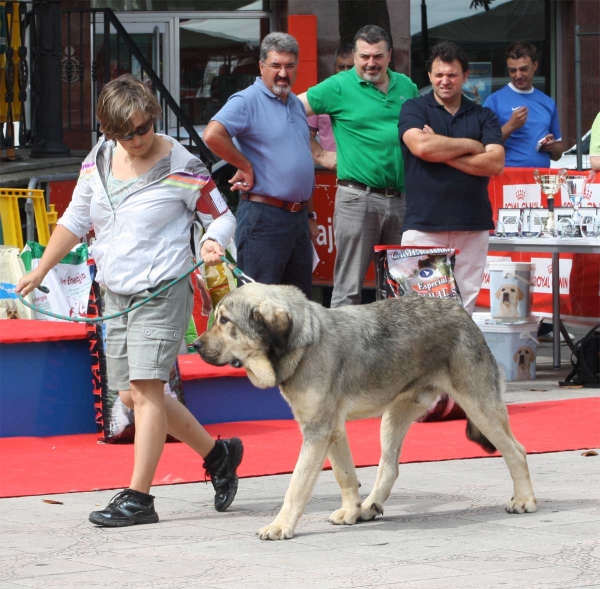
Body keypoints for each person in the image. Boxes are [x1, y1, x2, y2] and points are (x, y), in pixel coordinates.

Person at [16, 74, 243, 527]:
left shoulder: (184, 163)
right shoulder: (98, 160)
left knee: (146, 388)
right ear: (108, 131)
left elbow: (221, 216)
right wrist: (41, 269)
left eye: (144, 128)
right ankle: (218, 455)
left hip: (161, 289)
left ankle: (139, 498)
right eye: (127, 133)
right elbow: (76, 219)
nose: (138, 139)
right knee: (132, 395)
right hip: (114, 291)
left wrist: (212, 242)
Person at [299, 25, 418, 308]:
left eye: (377, 56)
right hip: (357, 198)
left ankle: (394, 353)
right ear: (354, 55)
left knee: (399, 290)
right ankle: (340, 353)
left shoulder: (407, 87)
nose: (370, 63)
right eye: (364, 56)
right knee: (348, 289)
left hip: (401, 199)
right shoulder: (339, 86)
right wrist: (318, 154)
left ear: (390, 56)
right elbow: (290, 111)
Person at [203, 33, 316, 299]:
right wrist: (245, 164)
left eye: (289, 66)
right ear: (261, 66)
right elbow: (212, 134)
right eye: (276, 66)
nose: (282, 73)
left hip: (298, 219)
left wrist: (310, 216)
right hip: (264, 217)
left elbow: (302, 162)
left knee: (299, 308)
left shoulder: (295, 104)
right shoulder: (247, 100)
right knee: (259, 307)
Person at [399, 41, 505, 316]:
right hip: (425, 226)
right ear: (430, 76)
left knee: (464, 312)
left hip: (472, 226)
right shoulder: (414, 108)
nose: (445, 81)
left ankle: (457, 362)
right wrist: (472, 145)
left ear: (466, 76)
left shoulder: (484, 115)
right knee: (422, 314)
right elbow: (421, 147)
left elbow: (494, 162)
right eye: (439, 74)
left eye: (452, 75)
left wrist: (441, 150)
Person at [484, 41, 563, 168]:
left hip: (540, 180)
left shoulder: (548, 102)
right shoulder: (494, 101)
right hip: (507, 180)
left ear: (535, 66)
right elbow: (483, 147)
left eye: (523, 69)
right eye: (512, 70)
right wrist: (510, 126)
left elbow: (558, 154)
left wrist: (552, 147)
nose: (518, 75)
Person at [306, 43, 354, 164]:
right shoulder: (321, 95)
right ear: (334, 67)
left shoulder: (368, 96)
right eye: (341, 67)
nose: (345, 72)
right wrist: (320, 155)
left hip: (360, 169)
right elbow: (305, 135)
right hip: (328, 169)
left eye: (350, 67)